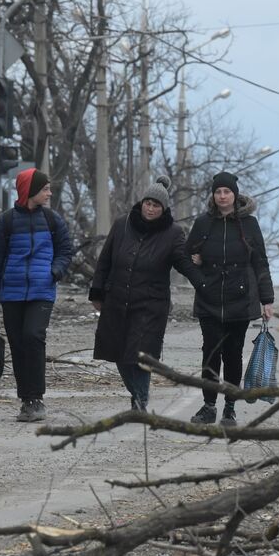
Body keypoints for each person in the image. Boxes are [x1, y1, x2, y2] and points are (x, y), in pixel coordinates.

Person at [88, 176, 203, 412]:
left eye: (156, 205)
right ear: (142, 203)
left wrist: (202, 277)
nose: (150, 209)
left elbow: (182, 262)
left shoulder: (173, 233)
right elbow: (105, 260)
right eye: (148, 203)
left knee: (139, 356)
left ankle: (140, 400)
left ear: (164, 209)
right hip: (117, 300)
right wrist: (97, 293)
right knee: (118, 353)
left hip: (150, 305)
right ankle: (138, 394)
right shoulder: (123, 224)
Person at [0, 168, 73, 422]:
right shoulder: (6, 222)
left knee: (33, 336)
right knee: (18, 344)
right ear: (30, 191)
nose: (49, 193)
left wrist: (55, 271)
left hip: (41, 291)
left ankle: (37, 397)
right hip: (11, 293)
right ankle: (26, 401)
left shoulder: (53, 220)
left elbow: (66, 250)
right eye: (45, 189)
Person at [186, 170, 274, 425]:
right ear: (213, 196)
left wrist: (267, 300)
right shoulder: (203, 223)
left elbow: (261, 263)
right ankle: (209, 406)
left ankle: (230, 408)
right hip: (209, 298)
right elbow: (184, 257)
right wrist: (199, 275)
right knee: (210, 351)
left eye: (226, 192)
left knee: (233, 353)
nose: (222, 196)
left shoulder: (249, 224)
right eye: (218, 192)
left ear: (235, 195)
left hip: (241, 298)